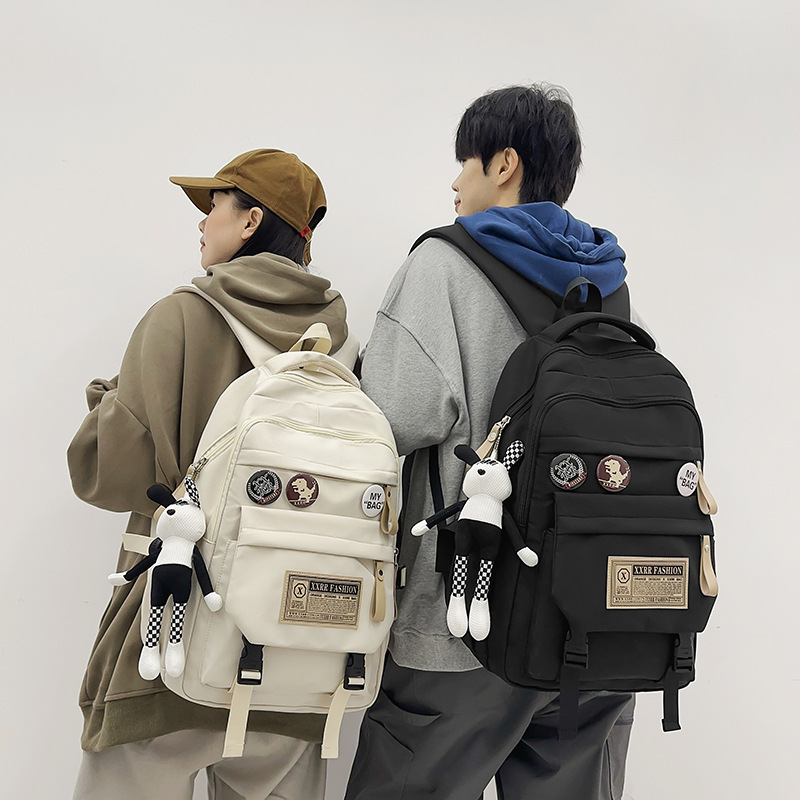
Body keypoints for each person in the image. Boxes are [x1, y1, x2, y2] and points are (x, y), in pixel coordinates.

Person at [345, 85, 641, 799]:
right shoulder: (609, 281)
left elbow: (385, 423)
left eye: (466, 162)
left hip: (463, 627)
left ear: (505, 164)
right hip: (596, 626)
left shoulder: (444, 264)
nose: (455, 182)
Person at [68, 148, 357, 800]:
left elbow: (99, 472)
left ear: (251, 221)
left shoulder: (181, 316)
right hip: (294, 656)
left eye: (215, 205)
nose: (203, 222)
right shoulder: (339, 339)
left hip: (167, 646)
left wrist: (106, 401)